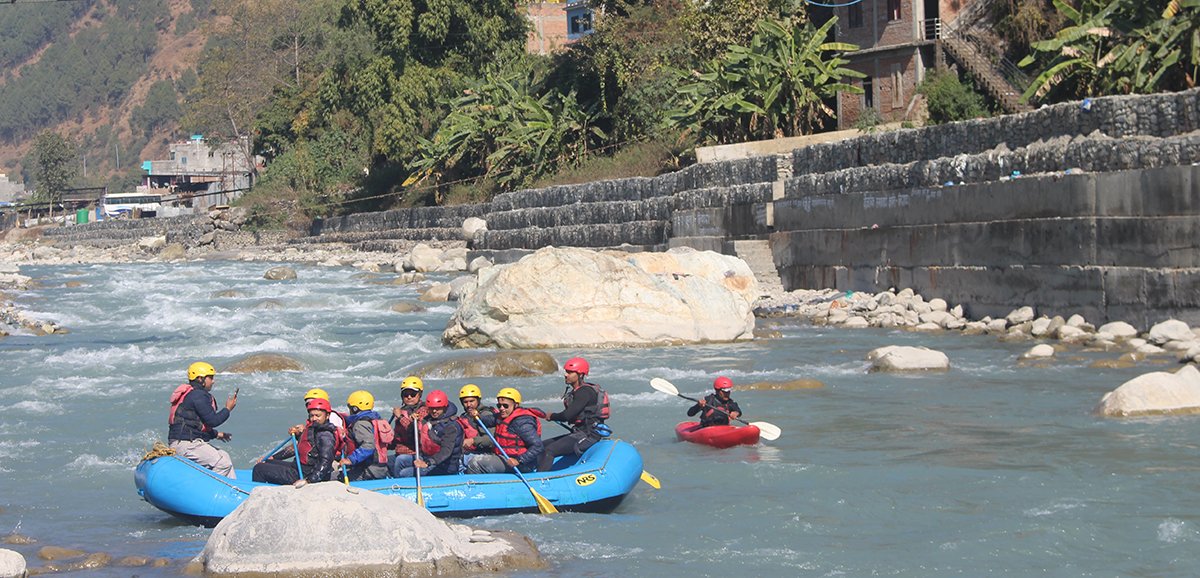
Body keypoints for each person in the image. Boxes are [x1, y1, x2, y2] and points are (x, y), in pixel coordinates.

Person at [168, 361, 237, 478]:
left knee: (224, 455)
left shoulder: (191, 394)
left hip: (184, 443)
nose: (213, 381)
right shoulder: (198, 396)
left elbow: (195, 425)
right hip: (185, 445)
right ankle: (212, 491)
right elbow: (212, 421)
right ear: (200, 379)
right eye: (210, 378)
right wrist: (228, 409)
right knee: (223, 463)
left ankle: (233, 490)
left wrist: (216, 434)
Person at [252, 397, 344, 485]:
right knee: (266, 462)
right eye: (312, 415)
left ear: (327, 416)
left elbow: (326, 462)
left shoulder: (325, 436)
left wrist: (309, 481)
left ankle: (257, 493)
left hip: (305, 474)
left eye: (318, 416)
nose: (314, 418)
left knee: (259, 468)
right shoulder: (315, 428)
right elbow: (307, 445)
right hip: (298, 467)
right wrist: (298, 435)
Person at [539, 357, 608, 472]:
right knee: (540, 446)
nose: (566, 375)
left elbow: (567, 416)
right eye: (566, 372)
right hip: (579, 432)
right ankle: (531, 471)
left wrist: (552, 416)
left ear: (580, 375)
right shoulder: (578, 391)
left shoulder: (584, 392)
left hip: (588, 435)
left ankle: (539, 479)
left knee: (549, 450)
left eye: (570, 372)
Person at [466, 387, 544, 474]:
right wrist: (477, 416)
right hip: (505, 457)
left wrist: (519, 460)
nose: (502, 408)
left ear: (516, 405)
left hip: (522, 464)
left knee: (475, 463)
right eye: (499, 405)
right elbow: (487, 421)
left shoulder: (523, 422)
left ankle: (477, 486)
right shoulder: (502, 416)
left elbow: (538, 446)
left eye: (505, 406)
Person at [392, 390, 463, 478]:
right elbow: (414, 433)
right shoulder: (429, 420)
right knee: (400, 460)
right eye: (431, 408)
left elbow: (446, 451)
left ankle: (404, 486)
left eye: (438, 408)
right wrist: (413, 422)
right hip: (427, 458)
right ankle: (396, 486)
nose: (434, 411)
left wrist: (427, 463)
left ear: (444, 407)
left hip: (445, 466)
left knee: (405, 473)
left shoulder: (451, 427)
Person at [339, 390, 390, 481]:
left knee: (334, 477)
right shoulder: (376, 419)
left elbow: (368, 446)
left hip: (368, 471)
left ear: (355, 408)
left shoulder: (360, 424)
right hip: (380, 468)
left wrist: (351, 460)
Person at [456, 384, 493, 456]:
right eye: (465, 402)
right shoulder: (464, 416)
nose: (469, 404)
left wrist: (473, 441)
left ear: (478, 400)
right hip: (469, 452)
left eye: (471, 401)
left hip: (485, 453)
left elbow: (491, 440)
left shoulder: (485, 415)